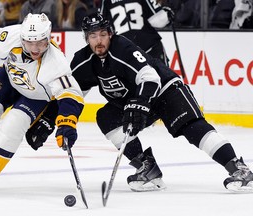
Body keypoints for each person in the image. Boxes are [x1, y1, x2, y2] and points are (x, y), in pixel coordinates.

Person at [27, 12, 253, 193]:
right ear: (86, 38)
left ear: (111, 34)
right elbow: (70, 93)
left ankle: (238, 168)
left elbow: (149, 76)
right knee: (106, 117)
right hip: (136, 100)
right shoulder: (84, 60)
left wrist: (138, 104)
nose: (99, 41)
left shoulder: (122, 48)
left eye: (103, 34)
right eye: (93, 36)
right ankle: (147, 167)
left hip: (165, 90)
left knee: (192, 128)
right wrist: (47, 121)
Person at [0, 13, 84, 190]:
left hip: (36, 96)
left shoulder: (56, 62)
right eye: (29, 42)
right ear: (22, 37)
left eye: (41, 42)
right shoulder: (11, 36)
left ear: (48, 37)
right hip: (9, 79)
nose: (35, 48)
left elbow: (71, 94)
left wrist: (66, 122)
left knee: (13, 124)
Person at [99, 0, 175, 65]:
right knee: (165, 79)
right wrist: (168, 13)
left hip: (125, 50)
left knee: (136, 81)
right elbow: (158, 20)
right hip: (149, 47)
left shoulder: (105, 1)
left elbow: (100, 24)